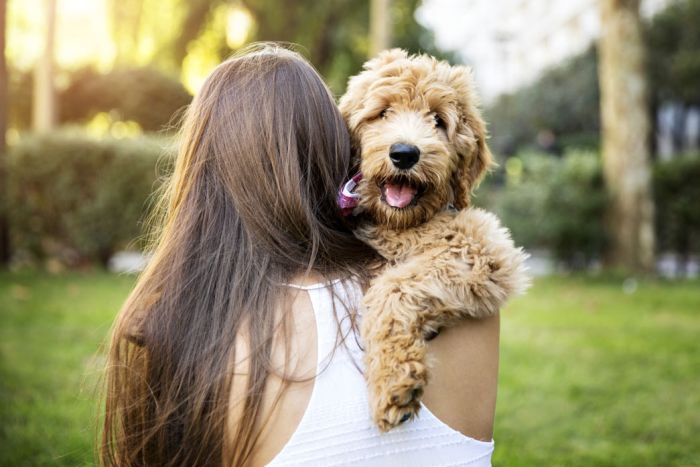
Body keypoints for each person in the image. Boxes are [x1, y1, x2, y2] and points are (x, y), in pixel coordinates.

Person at [101, 44, 499, 467]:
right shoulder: (475, 315)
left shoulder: (172, 329)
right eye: (381, 114)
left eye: (437, 121)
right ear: (338, 146)